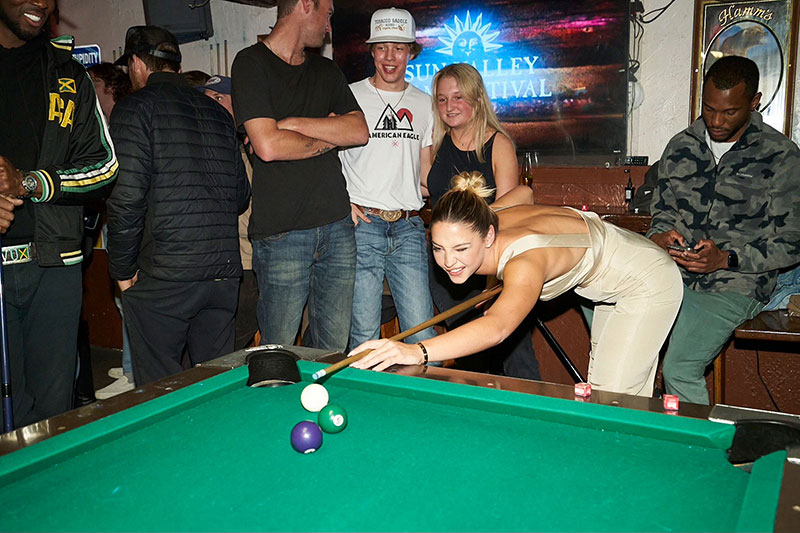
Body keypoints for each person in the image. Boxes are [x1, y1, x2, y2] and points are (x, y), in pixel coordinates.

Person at [352, 172, 683, 397]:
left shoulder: (524, 263)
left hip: (645, 282)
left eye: (461, 249)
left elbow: (496, 328)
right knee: (603, 392)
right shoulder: (484, 218)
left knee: (613, 399)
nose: (448, 260)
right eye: (438, 248)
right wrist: (489, 285)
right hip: (614, 278)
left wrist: (416, 350)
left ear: (488, 235)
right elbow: (524, 191)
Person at [647, 55, 800, 404]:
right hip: (672, 273)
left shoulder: (781, 157)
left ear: (754, 102)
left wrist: (725, 259)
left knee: (679, 368)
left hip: (737, 283)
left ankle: (699, 456)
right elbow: (663, 212)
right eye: (708, 108)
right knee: (608, 310)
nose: (715, 120)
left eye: (729, 112)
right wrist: (660, 235)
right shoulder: (681, 146)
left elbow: (791, 243)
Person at [107, 26, 250, 387]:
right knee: (213, 387)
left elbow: (126, 198)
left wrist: (122, 271)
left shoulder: (133, 109)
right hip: (222, 273)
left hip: (165, 276)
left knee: (160, 389)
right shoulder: (218, 114)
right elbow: (239, 197)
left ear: (137, 64)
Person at [0, 0, 118, 426]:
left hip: (54, 267)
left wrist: (29, 183)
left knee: (53, 416)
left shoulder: (67, 73)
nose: (41, 2)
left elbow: (105, 168)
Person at [231, 0, 368, 352]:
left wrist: (291, 124)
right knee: (278, 353)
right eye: (327, 14)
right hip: (281, 234)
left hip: (338, 226)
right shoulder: (250, 63)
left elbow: (358, 131)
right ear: (306, 4)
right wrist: (328, 131)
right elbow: (268, 146)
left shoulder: (326, 70)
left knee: (332, 351)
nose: (328, 26)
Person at [425, 63, 539, 380]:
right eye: (442, 99)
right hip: (446, 263)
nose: (449, 107)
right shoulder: (438, 142)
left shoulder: (497, 143)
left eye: (458, 97)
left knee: (515, 349)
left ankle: (533, 417)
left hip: (489, 263)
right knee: (466, 347)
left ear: (476, 99)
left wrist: (495, 279)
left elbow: (515, 207)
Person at [338, 7, 436, 349]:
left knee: (423, 336)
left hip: (409, 227)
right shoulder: (348, 95)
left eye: (399, 47)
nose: (390, 57)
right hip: (363, 225)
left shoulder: (425, 104)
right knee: (363, 336)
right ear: (372, 51)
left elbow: (425, 170)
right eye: (382, 48)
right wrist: (341, 200)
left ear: (411, 51)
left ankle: (422, 403)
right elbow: (326, 156)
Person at [85, 62, 136, 400]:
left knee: (130, 301)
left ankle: (134, 373)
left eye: (94, 84)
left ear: (109, 86)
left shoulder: (123, 122)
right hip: (118, 226)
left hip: (131, 228)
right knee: (124, 302)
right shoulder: (108, 124)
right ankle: (133, 365)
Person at [198, 75, 258, 350]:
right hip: (208, 266)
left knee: (228, 350)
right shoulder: (203, 147)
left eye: (219, 98)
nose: (210, 105)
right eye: (207, 98)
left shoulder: (252, 150)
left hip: (245, 266)